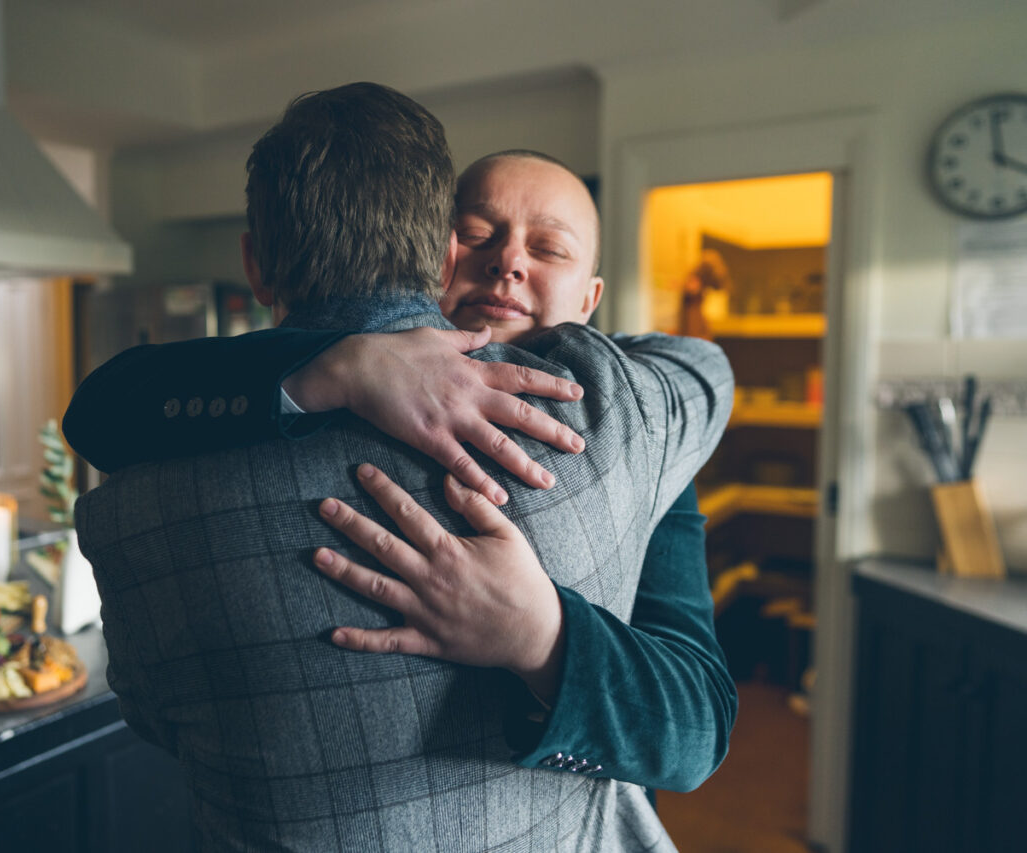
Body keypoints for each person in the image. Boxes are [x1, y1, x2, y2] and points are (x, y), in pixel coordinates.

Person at [71, 83, 733, 851]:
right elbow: (103, 408)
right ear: (437, 252)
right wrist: (339, 365)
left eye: (547, 248)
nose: (509, 261)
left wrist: (543, 637)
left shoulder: (628, 430)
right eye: (479, 232)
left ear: (590, 302)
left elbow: (695, 729)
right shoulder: (295, 393)